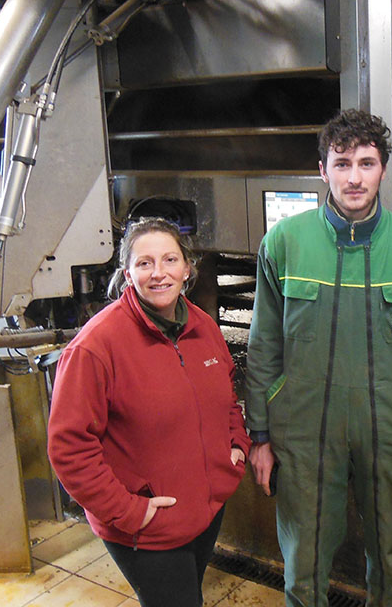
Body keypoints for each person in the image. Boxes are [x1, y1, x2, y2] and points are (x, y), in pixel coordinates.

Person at [245, 109, 392, 607]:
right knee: (303, 561)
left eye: (366, 163)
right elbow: (263, 348)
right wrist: (259, 434)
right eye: (341, 163)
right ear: (322, 170)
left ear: (383, 168)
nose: (353, 177)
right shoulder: (284, 243)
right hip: (304, 430)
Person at [47, 217, 250, 607]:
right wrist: (129, 511)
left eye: (170, 260)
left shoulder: (203, 328)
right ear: (127, 274)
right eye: (145, 263)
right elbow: (69, 449)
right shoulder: (96, 346)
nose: (159, 273)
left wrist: (236, 444)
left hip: (204, 512)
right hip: (148, 526)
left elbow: (226, 397)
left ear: (187, 268)